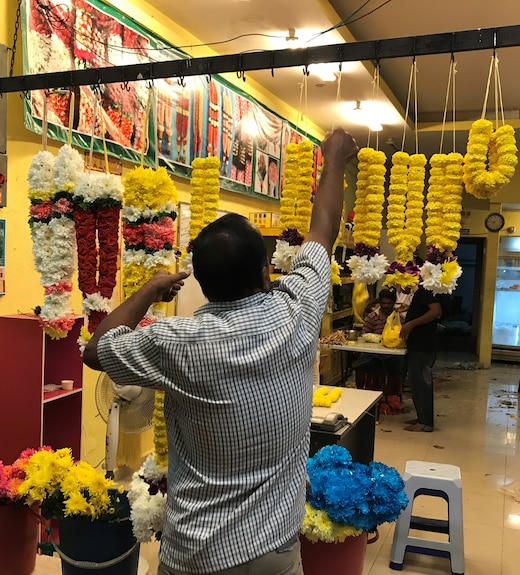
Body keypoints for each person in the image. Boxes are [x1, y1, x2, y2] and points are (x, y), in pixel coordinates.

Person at [83, 128, 359, 575]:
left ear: (202, 284)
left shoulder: (175, 343)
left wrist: (150, 290)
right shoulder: (296, 312)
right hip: (274, 551)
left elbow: (98, 351)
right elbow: (322, 231)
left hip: (198, 553)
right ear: (267, 272)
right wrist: (335, 161)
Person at [399, 287, 444, 432]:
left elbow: (436, 311)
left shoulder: (427, 288)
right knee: (415, 383)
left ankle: (425, 423)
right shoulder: (424, 289)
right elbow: (427, 309)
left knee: (421, 383)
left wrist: (411, 324)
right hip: (419, 344)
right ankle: (422, 418)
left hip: (422, 345)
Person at [356, 289, 404, 396]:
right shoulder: (372, 317)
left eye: (389, 303)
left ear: (393, 303)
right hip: (374, 353)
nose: (386, 306)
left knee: (398, 366)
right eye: (383, 303)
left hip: (392, 354)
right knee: (361, 365)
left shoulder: (399, 318)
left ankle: (393, 396)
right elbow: (365, 334)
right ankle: (360, 392)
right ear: (380, 302)